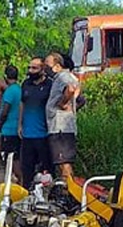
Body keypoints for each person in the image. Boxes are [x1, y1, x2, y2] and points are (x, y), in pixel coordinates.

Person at [44, 52, 80, 183]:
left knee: (64, 163)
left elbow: (71, 88)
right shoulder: (61, 78)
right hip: (58, 127)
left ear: (57, 66)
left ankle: (69, 190)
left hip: (61, 128)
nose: (45, 68)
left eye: (47, 65)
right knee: (61, 163)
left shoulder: (63, 77)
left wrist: (64, 102)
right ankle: (68, 188)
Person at [18, 57, 53, 189]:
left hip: (44, 135)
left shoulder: (50, 85)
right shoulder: (26, 84)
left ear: (43, 69)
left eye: (34, 68)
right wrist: (19, 124)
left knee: (46, 171)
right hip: (27, 135)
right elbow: (22, 104)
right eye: (29, 68)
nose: (30, 71)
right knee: (27, 170)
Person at [0, 65, 21, 181]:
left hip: (9, 128)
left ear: (6, 77)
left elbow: (5, 110)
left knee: (10, 157)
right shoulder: (19, 89)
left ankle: (12, 179)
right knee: (17, 157)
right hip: (18, 129)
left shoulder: (9, 91)